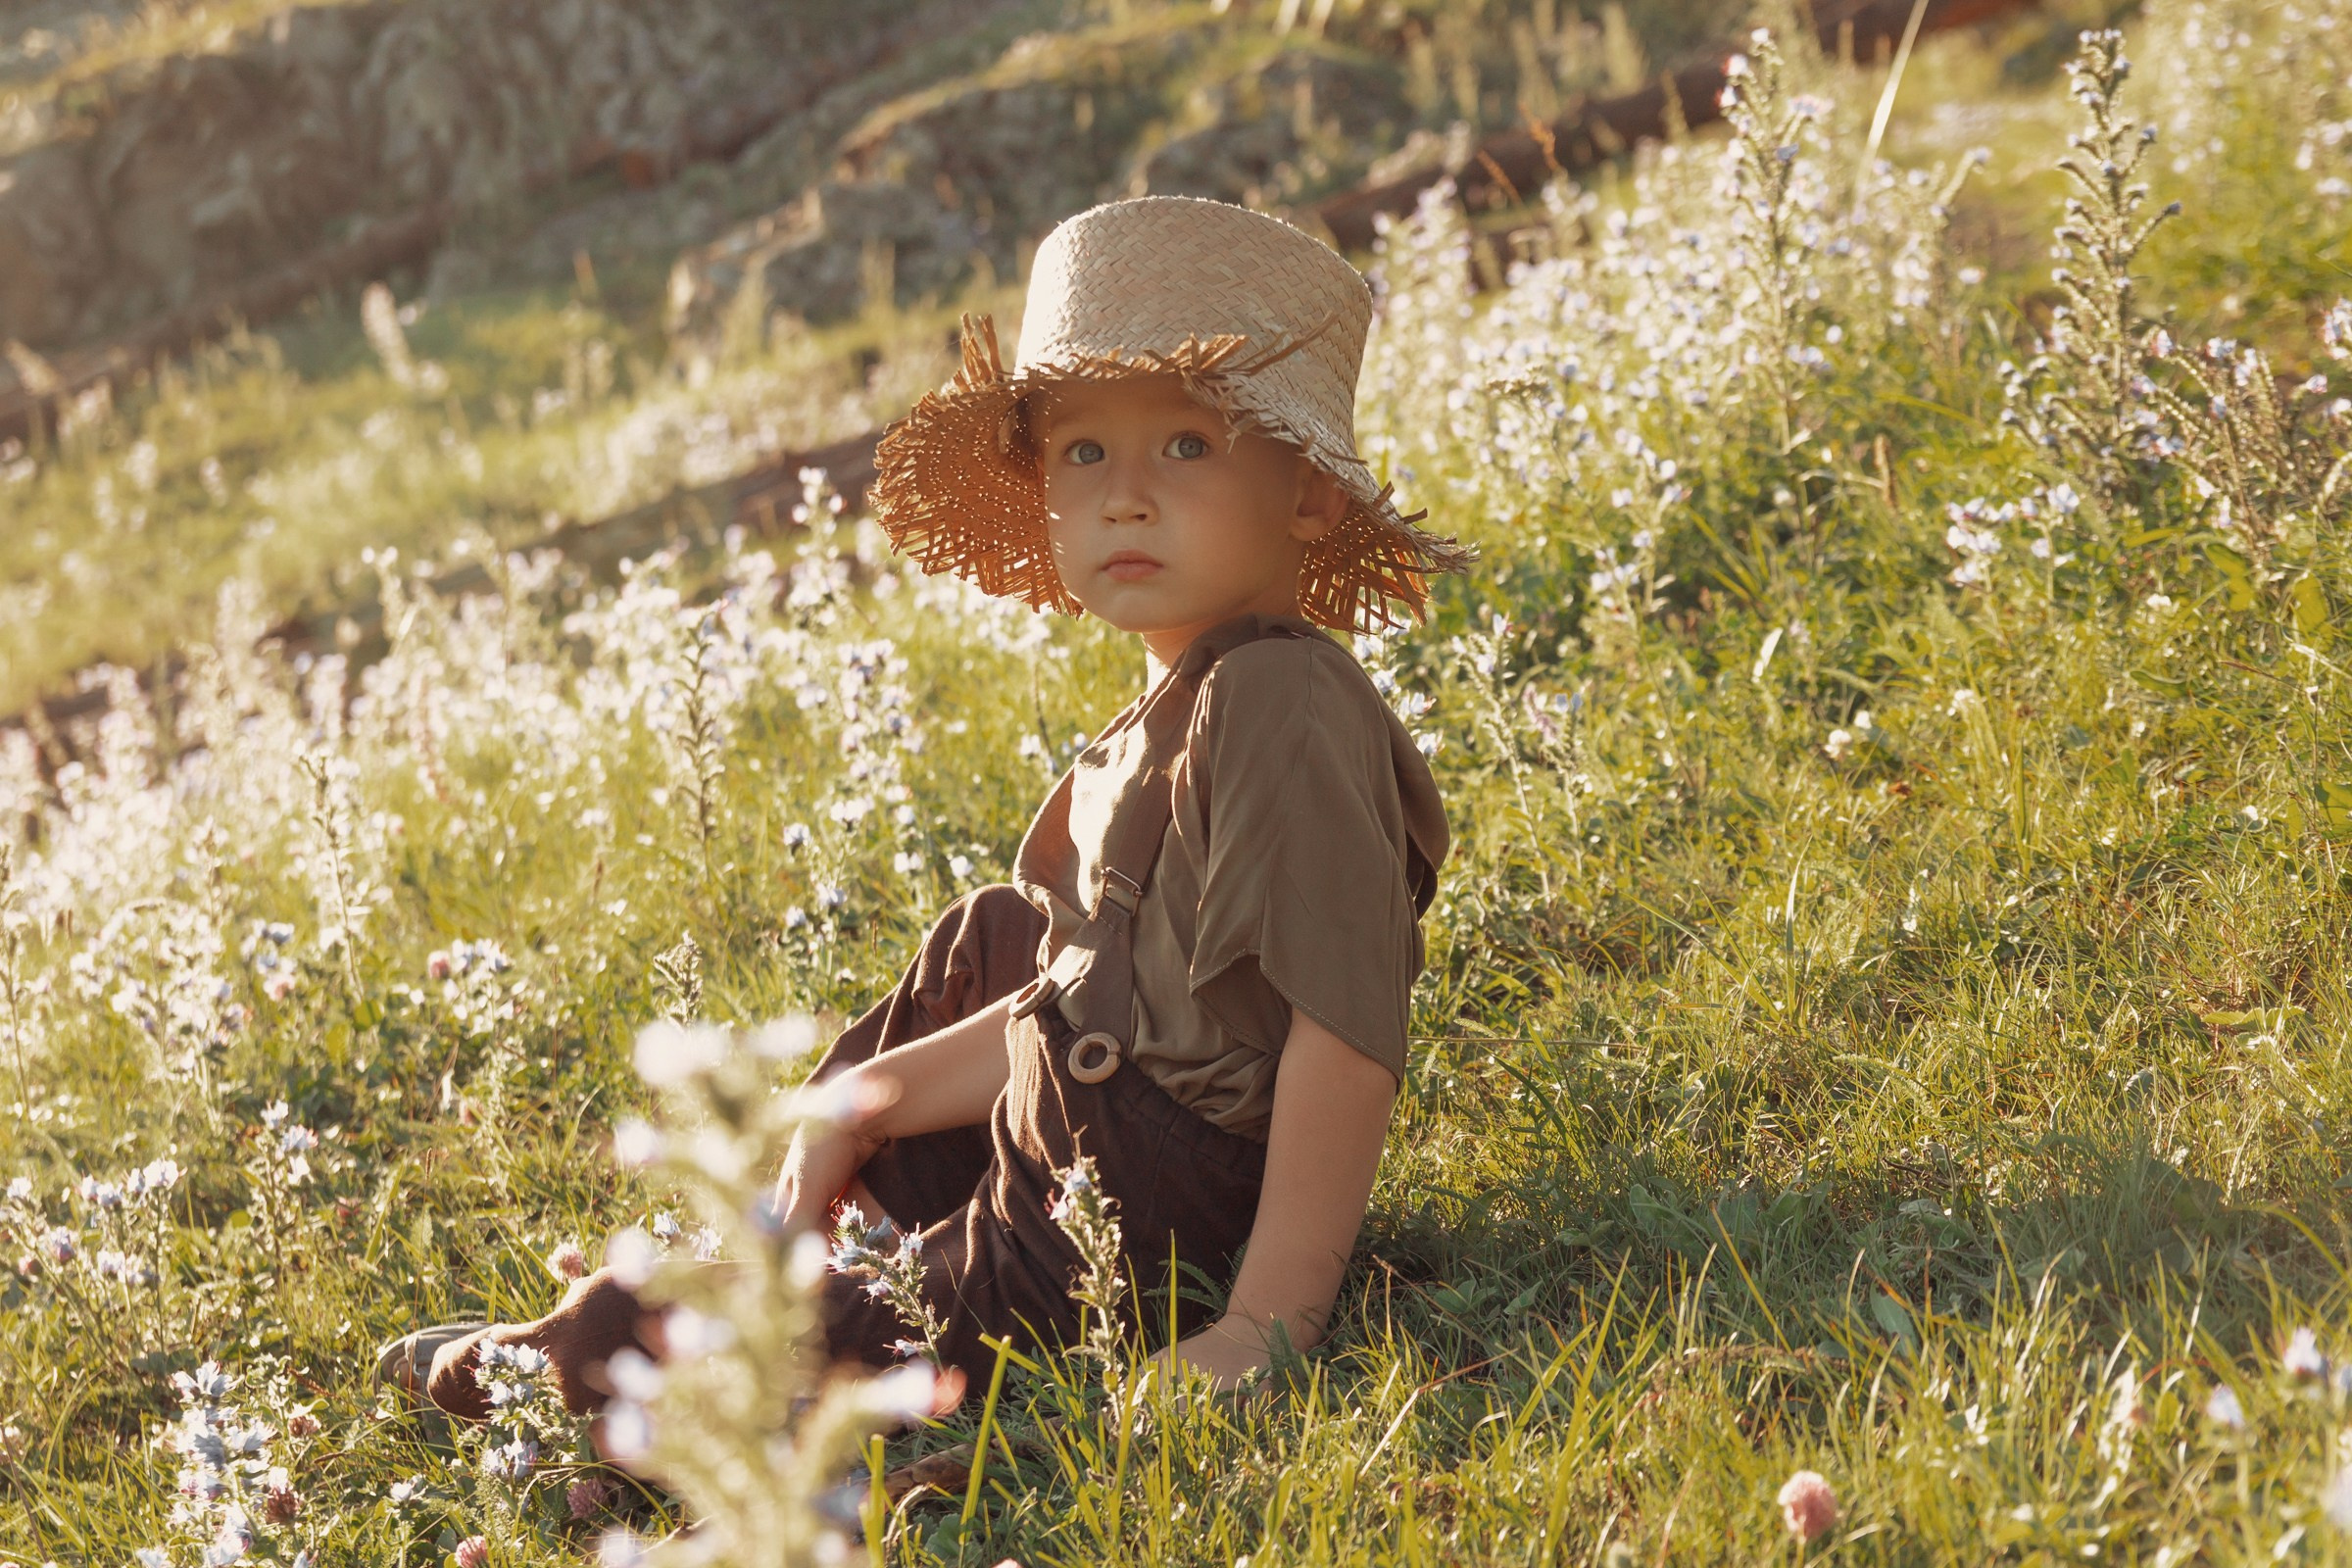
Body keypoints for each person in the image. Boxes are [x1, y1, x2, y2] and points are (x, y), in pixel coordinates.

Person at [379, 194, 1473, 1421]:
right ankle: (810, 1227)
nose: (1123, 496)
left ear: (1311, 492)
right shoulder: (1200, 687)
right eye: (1082, 452)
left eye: (1186, 446)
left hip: (1136, 1211)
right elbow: (1083, 995)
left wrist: (1266, 1323)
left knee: (843, 1358)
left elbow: (1345, 1030)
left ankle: (617, 1358)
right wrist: (862, 1101)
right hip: (1096, 1116)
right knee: (992, 937)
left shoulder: (1280, 697)